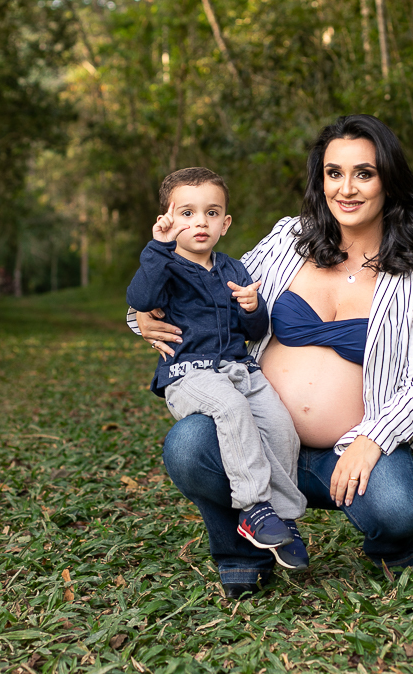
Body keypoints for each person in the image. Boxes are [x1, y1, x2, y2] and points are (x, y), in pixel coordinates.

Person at [132, 116, 413, 598]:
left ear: (389, 178)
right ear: (320, 180)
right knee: (189, 445)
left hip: (350, 450)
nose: (347, 188)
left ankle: (394, 551)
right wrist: (139, 318)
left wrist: (373, 442)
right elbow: (205, 285)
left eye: (364, 173)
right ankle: (244, 553)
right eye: (333, 173)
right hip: (257, 439)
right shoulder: (289, 238)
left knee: (400, 508)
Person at [127, 167, 308, 570]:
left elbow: (253, 330)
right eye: (187, 213)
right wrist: (156, 248)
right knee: (230, 409)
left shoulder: (233, 270)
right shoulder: (165, 266)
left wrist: (252, 308)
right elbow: (140, 297)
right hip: (188, 374)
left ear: (225, 223)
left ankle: (284, 516)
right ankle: (253, 508)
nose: (199, 222)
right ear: (167, 220)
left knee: (279, 425)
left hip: (239, 368)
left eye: (211, 213)